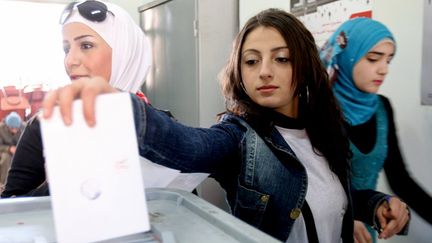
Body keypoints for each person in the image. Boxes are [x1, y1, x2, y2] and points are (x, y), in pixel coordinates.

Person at [42, 9, 410, 242]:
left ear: (304, 66)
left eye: (280, 58)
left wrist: (377, 203)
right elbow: (187, 144)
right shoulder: (239, 138)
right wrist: (120, 105)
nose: (264, 71)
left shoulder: (329, 130)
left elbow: (335, 196)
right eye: (251, 61)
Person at [1, 0, 151, 197]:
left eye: (86, 45)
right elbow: (11, 209)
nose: (70, 60)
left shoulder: (157, 126)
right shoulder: (44, 125)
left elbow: (186, 212)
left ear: (125, 52)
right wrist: (69, 184)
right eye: (66, 49)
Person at [320, 17, 432, 243]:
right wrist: (346, 217)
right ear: (347, 57)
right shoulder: (317, 109)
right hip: (321, 230)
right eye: (373, 59)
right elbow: (311, 185)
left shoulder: (382, 108)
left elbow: (400, 178)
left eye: (389, 60)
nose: (384, 70)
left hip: (364, 235)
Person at [0, 112, 25, 189]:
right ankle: (3, 184)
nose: (14, 130)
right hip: (4, 151)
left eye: (16, 128)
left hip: (20, 150)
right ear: (7, 126)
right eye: (12, 128)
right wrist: (9, 149)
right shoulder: (1, 128)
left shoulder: (25, 127)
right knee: (6, 158)